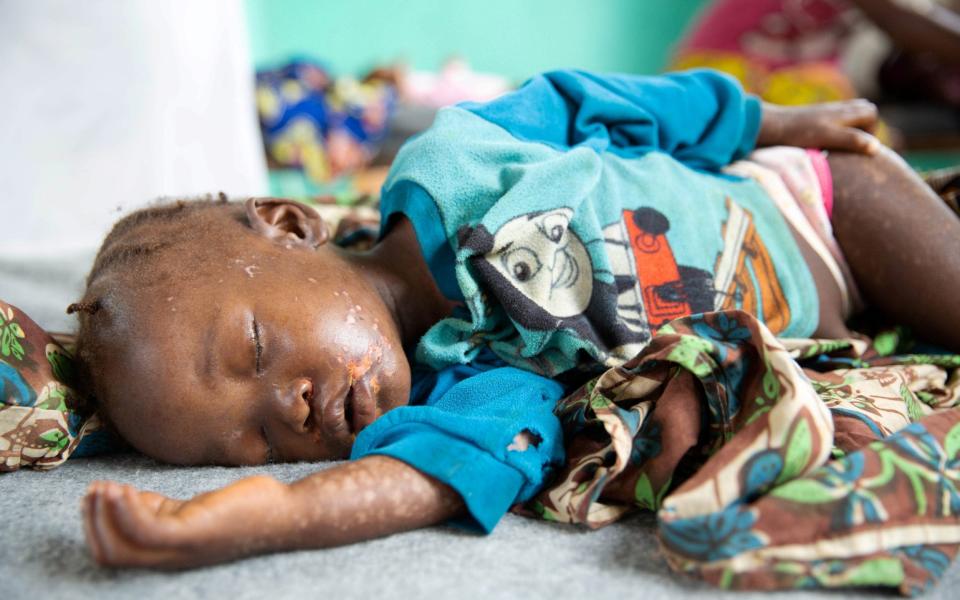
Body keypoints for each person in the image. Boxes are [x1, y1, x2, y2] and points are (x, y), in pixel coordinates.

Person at [73, 69, 960, 569]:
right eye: (253, 443)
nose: (291, 410)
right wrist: (251, 521)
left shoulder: (453, 160)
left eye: (256, 349)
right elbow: (430, 479)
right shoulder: (477, 380)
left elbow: (596, 103)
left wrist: (763, 116)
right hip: (847, 315)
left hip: (823, 203)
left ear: (294, 225)